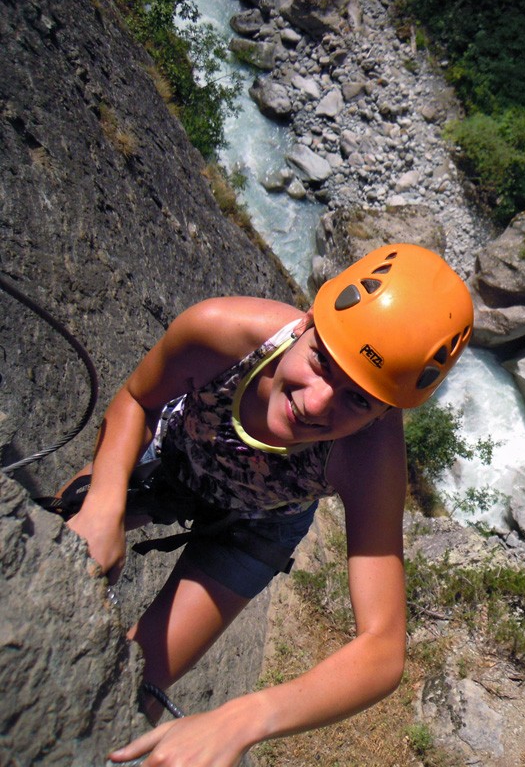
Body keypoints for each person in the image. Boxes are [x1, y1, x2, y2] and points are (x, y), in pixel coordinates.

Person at [57, 243, 474, 766]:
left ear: (383, 413)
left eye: (358, 400)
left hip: (254, 526)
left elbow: (383, 647)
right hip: (175, 455)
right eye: (323, 360)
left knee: (129, 684)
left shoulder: (369, 459)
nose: (316, 402)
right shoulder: (220, 331)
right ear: (303, 324)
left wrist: (244, 719)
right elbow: (139, 400)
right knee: (65, 541)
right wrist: (102, 504)